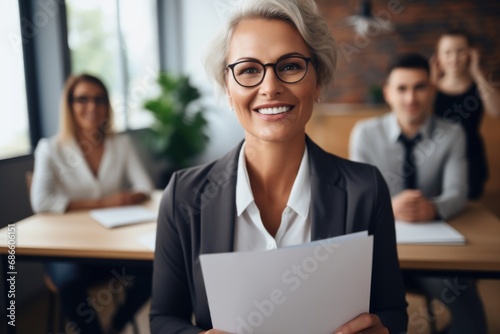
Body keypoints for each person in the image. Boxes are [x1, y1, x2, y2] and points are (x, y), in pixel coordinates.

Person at [150, 1, 408, 333]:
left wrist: (382, 329)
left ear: (318, 82)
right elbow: (163, 319)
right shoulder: (183, 196)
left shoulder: (365, 190)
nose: (270, 87)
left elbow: (393, 312)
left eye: (289, 66)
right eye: (248, 70)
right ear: (228, 89)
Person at [350, 53, 487, 334]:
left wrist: (433, 208)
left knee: (472, 321)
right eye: (402, 88)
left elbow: (458, 193)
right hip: (377, 254)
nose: (411, 98)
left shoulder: (452, 133)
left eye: (419, 87)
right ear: (388, 93)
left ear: (432, 90)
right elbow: (358, 198)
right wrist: (388, 205)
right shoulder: (365, 133)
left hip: (434, 254)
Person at [31, 74, 154, 334]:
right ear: (69, 105)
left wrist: (133, 196)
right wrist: (104, 202)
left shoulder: (120, 143)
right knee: (68, 283)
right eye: (82, 99)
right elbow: (41, 201)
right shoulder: (50, 148)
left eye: (99, 99)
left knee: (155, 269)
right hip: (66, 248)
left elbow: (145, 186)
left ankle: (115, 325)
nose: (92, 106)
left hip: (112, 246)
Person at [432, 29, 500, 199]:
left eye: (460, 51)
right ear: (438, 57)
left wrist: (477, 71)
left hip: (472, 159)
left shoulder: (478, 87)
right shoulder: (432, 88)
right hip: (437, 158)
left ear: (471, 54)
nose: (454, 59)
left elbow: (496, 110)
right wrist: (431, 80)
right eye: (447, 52)